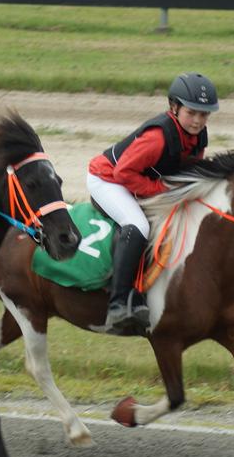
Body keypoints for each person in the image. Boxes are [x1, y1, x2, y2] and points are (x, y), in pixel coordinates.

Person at [86, 72, 219, 334]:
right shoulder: (158, 137)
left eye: (204, 114)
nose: (198, 120)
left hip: (134, 179)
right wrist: (161, 191)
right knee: (138, 225)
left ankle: (142, 292)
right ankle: (117, 304)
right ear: (174, 107)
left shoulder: (198, 137)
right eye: (192, 112)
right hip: (107, 179)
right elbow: (123, 173)